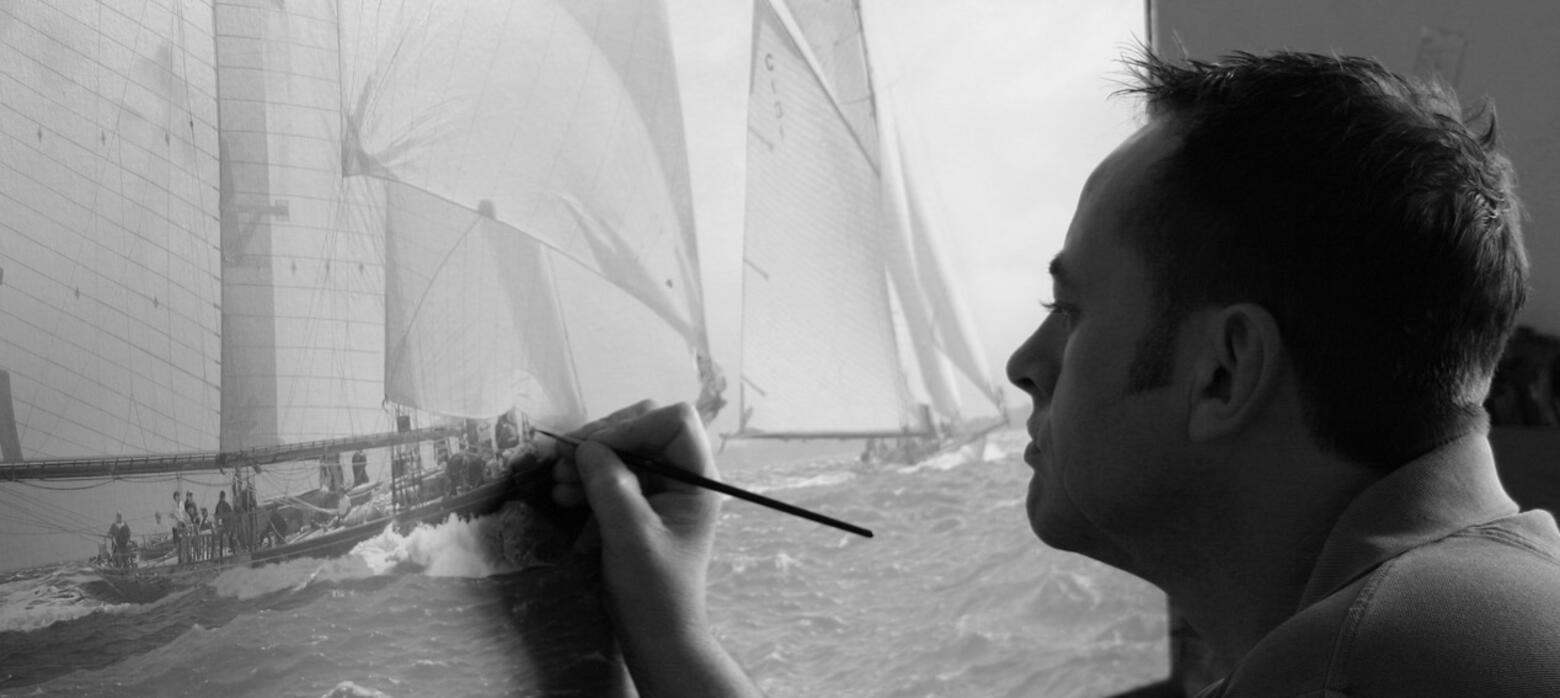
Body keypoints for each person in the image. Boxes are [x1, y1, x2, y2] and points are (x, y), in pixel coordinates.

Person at [548, 49, 1560, 697]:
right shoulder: (1483, 603)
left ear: (1224, 370)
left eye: (1070, 311)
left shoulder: (1366, 662)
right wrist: (671, 627)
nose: (1023, 363)